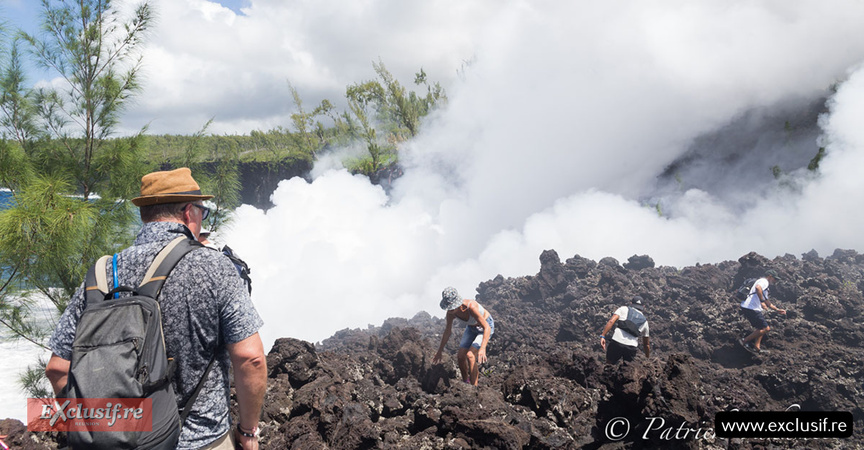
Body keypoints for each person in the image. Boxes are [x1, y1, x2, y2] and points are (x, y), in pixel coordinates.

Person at [45, 168, 267, 450]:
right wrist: (248, 433)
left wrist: (98, 431)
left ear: (145, 215)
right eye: (203, 211)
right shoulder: (214, 266)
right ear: (189, 212)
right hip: (200, 441)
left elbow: (57, 368)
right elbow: (251, 359)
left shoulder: (102, 274)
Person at [432, 287, 494, 386]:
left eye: (452, 307)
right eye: (448, 307)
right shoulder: (450, 313)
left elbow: (487, 327)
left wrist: (482, 348)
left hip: (484, 327)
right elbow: (447, 331)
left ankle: (474, 388)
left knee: (470, 355)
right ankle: (466, 383)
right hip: (471, 328)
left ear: (458, 304)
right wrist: (439, 351)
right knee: (460, 356)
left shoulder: (471, 307)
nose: (450, 310)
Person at [739, 269, 786, 353]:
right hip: (751, 308)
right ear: (770, 277)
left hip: (749, 307)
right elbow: (758, 288)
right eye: (775, 279)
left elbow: (767, 300)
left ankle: (757, 347)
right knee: (766, 328)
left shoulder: (764, 285)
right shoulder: (764, 281)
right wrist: (761, 302)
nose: (775, 281)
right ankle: (744, 341)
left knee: (760, 327)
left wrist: (777, 309)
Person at [599, 295, 650, 364]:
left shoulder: (623, 309)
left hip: (617, 341)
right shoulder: (645, 322)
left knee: (609, 365)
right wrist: (647, 357)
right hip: (631, 347)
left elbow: (611, 321)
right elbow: (646, 344)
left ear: (631, 303)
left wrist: (603, 335)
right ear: (643, 307)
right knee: (627, 369)